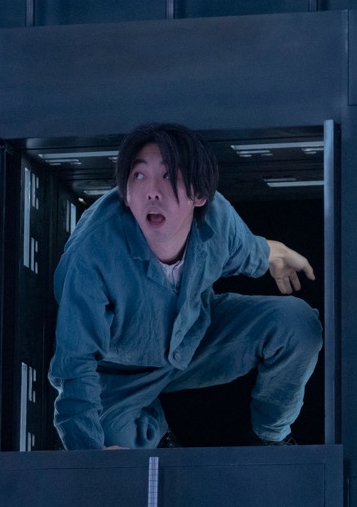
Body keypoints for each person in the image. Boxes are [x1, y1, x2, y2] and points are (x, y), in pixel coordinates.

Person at [48, 122, 323, 450]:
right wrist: (89, 456)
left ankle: (270, 436)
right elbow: (74, 365)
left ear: (199, 195)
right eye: (139, 175)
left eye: (168, 176)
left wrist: (274, 255)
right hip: (121, 374)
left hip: (195, 338)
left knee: (298, 325)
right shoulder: (90, 257)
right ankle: (157, 435)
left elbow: (247, 248)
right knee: (113, 448)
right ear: (125, 192)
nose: (152, 191)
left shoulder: (217, 219)